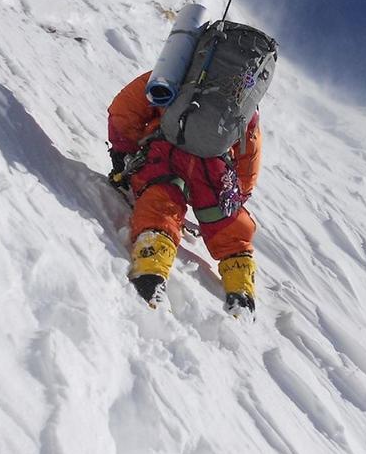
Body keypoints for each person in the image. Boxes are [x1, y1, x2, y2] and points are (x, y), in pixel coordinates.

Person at [107, 71, 261, 313]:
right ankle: (241, 286)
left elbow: (127, 106)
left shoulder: (179, 68)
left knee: (163, 198)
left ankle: (151, 271)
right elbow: (248, 157)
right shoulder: (246, 101)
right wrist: (237, 195)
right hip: (214, 167)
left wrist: (123, 150)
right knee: (226, 223)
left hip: (166, 147)